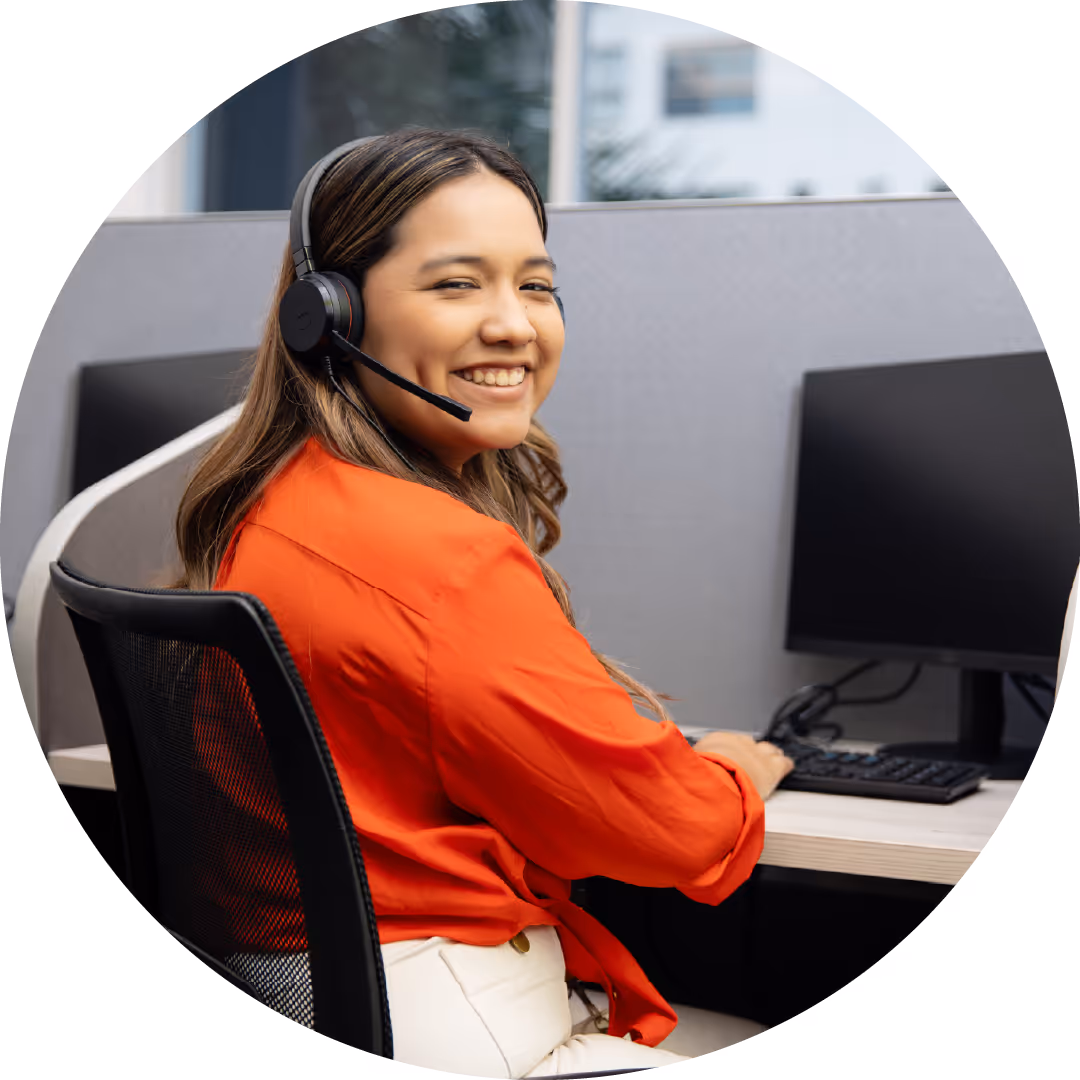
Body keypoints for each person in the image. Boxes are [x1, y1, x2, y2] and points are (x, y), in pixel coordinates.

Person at [175, 128, 794, 1076]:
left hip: (329, 999)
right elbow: (673, 832)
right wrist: (738, 768)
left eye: (535, 285)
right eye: (457, 284)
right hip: (450, 1018)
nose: (515, 326)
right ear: (330, 315)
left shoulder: (275, 504)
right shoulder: (438, 558)